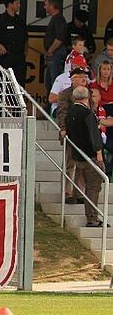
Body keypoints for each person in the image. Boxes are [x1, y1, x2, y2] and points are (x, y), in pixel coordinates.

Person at [65, 86, 106, 227]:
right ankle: (92, 218)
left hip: (78, 156)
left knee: (89, 186)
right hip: (90, 156)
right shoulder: (87, 114)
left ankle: (92, 217)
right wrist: (99, 153)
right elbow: (94, 136)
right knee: (93, 187)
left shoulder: (70, 113)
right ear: (87, 97)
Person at [56, 68, 93, 203]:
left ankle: (80, 192)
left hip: (84, 135)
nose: (84, 79)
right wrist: (63, 128)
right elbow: (62, 112)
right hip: (71, 134)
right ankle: (68, 193)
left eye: (85, 76)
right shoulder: (66, 94)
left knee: (82, 165)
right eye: (80, 76)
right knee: (70, 164)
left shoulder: (89, 92)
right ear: (73, 79)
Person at [0, 0, 28, 84]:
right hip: (6, 56)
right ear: (10, 4)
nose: (19, 5)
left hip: (19, 57)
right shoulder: (0, 20)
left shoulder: (20, 20)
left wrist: (25, 51)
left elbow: (25, 37)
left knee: (20, 83)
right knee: (4, 83)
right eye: (17, 3)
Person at [43, 0, 69, 94]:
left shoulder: (58, 19)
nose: (44, 7)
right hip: (54, 54)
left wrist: (50, 50)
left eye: (46, 4)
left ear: (52, 5)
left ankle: (56, 107)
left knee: (55, 81)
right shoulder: (55, 18)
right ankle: (50, 106)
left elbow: (59, 38)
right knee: (49, 82)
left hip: (56, 54)